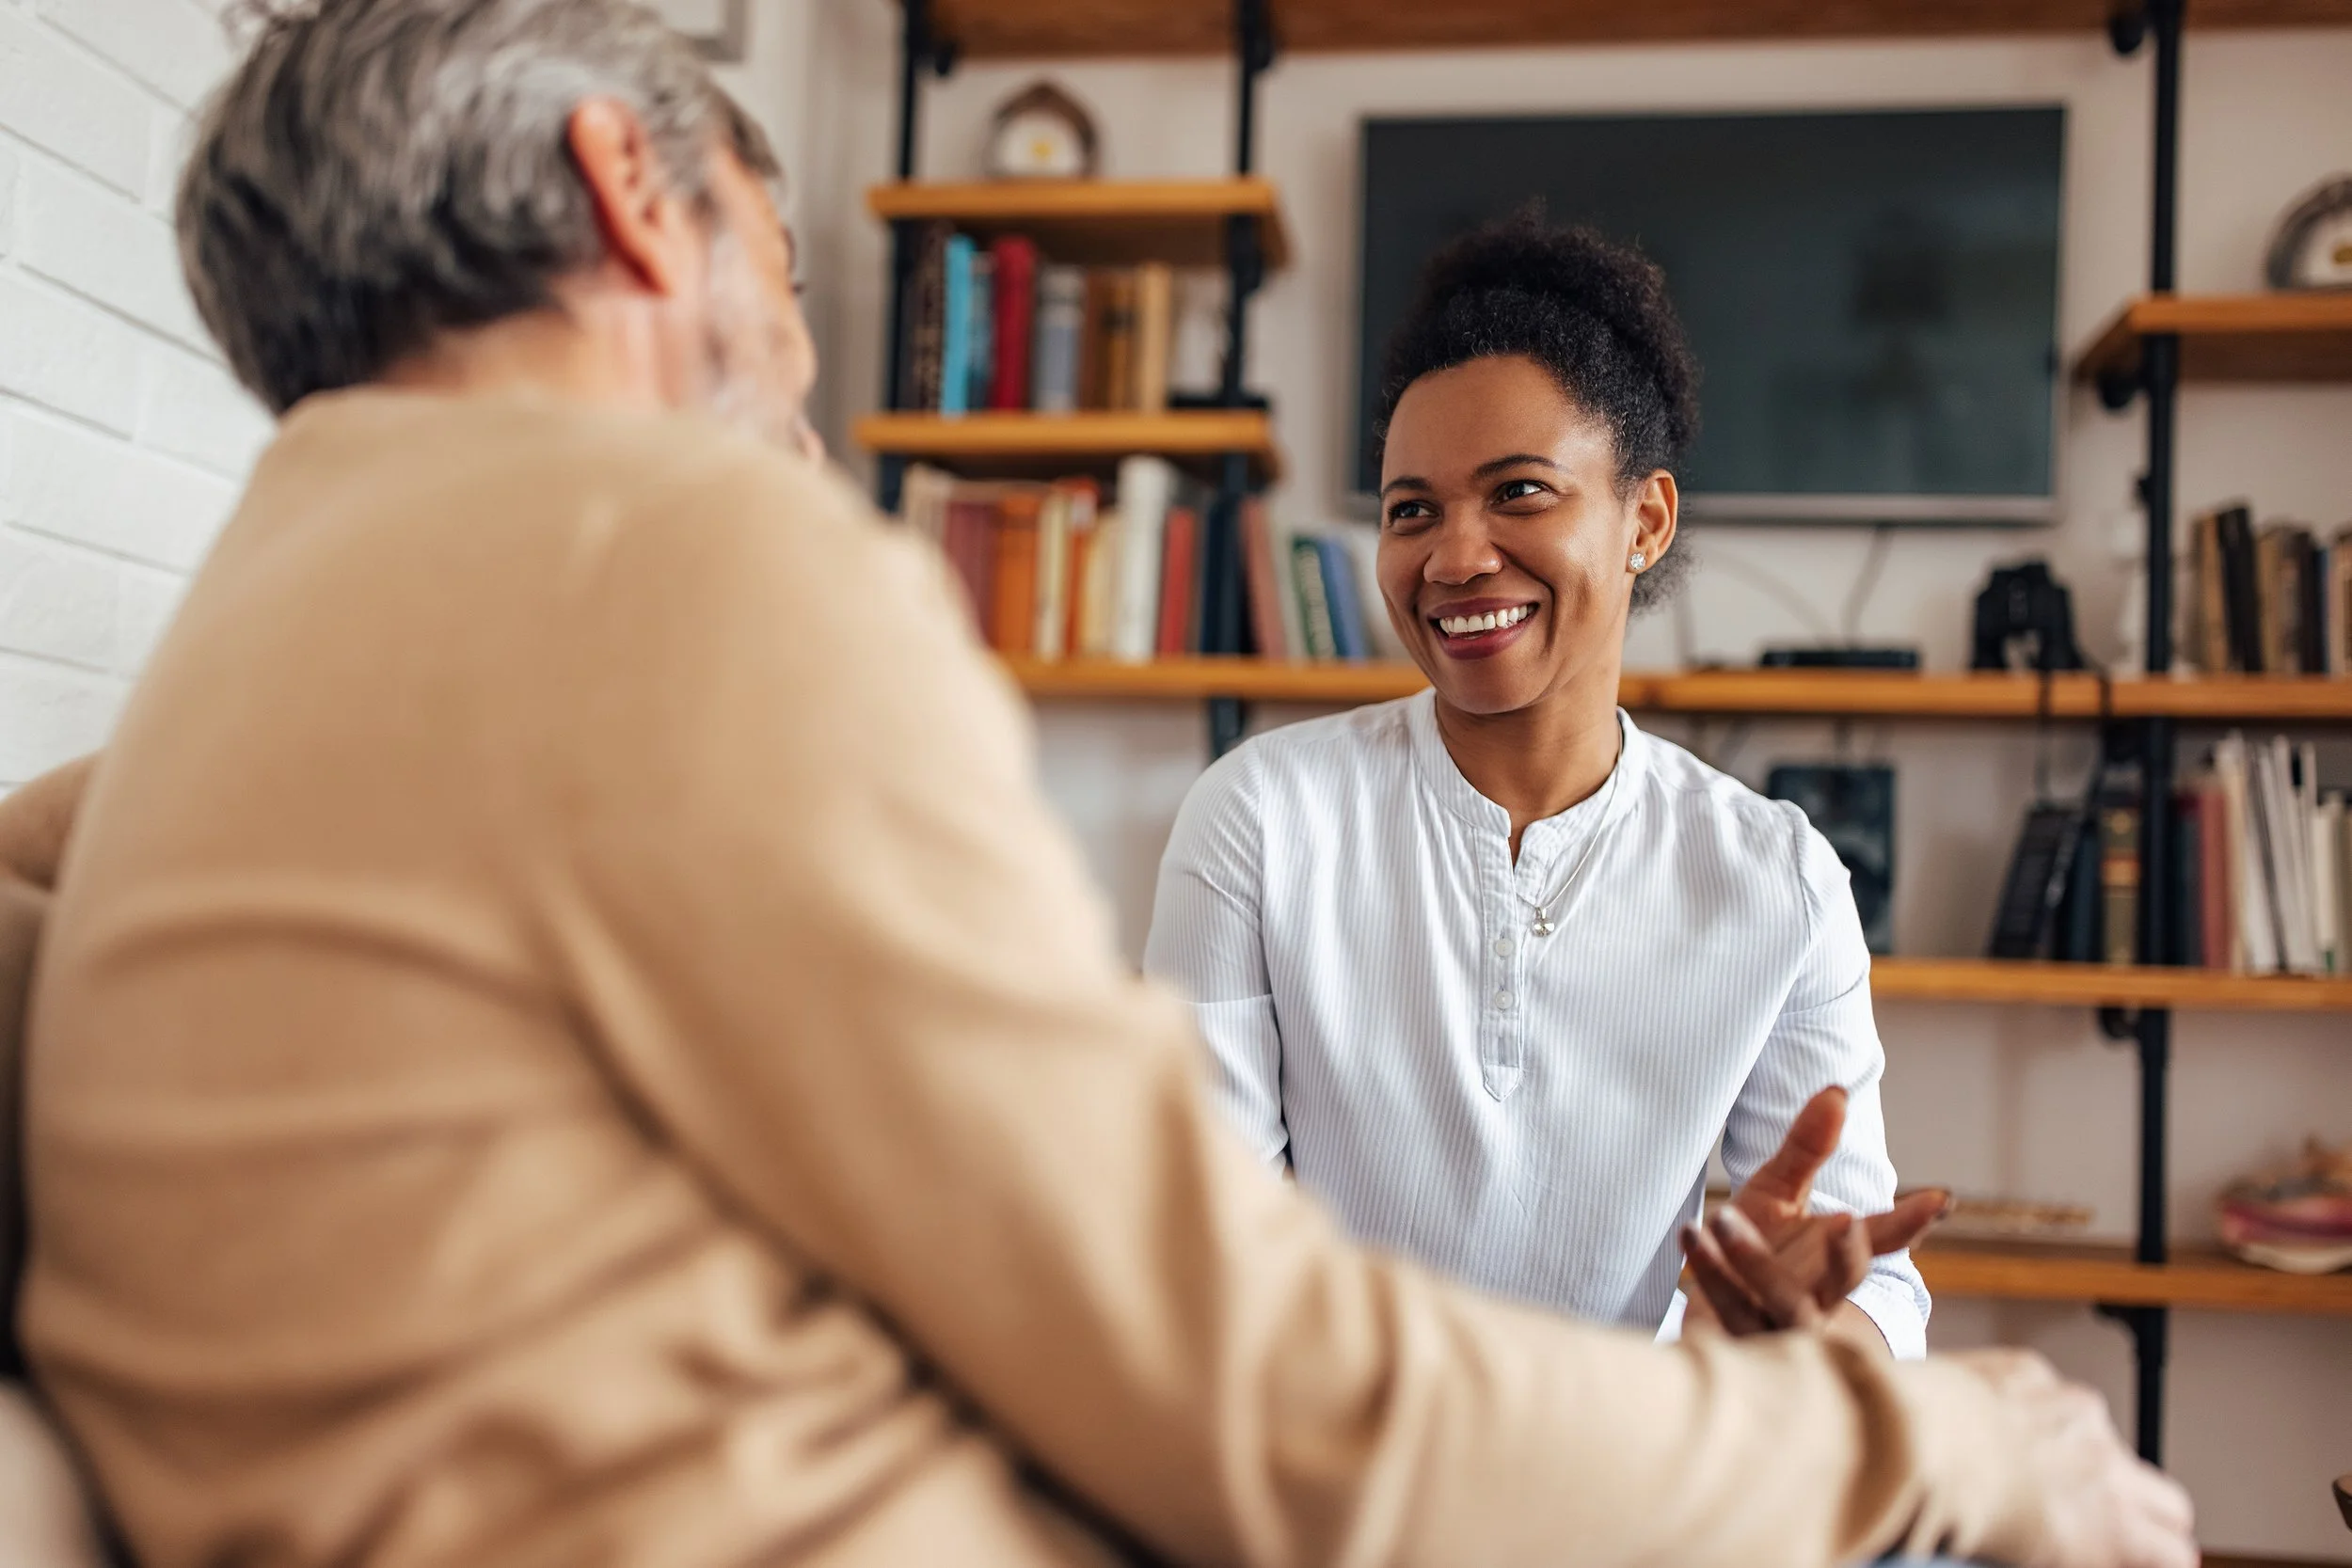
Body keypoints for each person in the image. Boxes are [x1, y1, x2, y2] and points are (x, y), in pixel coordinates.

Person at [8, 3, 2195, 1566]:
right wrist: (1956, 1441)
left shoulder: (253, 640)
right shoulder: (677, 559)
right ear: (624, 199)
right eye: (780, 300)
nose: (797, 416)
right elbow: (1258, 1398)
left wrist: (1827, 1348)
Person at [1146, 218, 1946, 1356]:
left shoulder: (1777, 879)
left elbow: (1875, 1290)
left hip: (1626, 1480)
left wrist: (1793, 1333)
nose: (1454, 556)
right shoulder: (1262, 818)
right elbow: (1201, 1243)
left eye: (1518, 491)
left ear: (1645, 521)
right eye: (1410, 508)